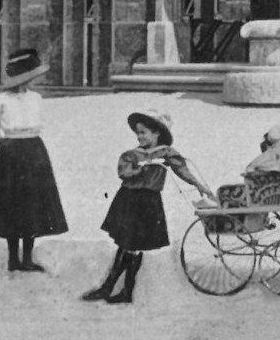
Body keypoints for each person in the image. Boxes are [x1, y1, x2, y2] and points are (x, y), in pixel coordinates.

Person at [83, 111, 213, 304]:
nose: (139, 136)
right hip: (128, 200)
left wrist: (198, 184)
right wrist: (141, 167)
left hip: (149, 202)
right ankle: (110, 287)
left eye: (144, 132)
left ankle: (124, 290)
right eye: (138, 133)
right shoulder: (133, 155)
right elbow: (124, 172)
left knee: (134, 246)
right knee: (125, 244)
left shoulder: (167, 153)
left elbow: (181, 169)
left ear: (156, 134)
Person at [0, 47, 68, 273]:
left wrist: (30, 145)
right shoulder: (1, 100)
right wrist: (3, 144)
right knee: (12, 203)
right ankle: (13, 258)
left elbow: (40, 124)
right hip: (11, 152)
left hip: (34, 151)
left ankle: (27, 258)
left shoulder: (36, 98)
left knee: (32, 203)